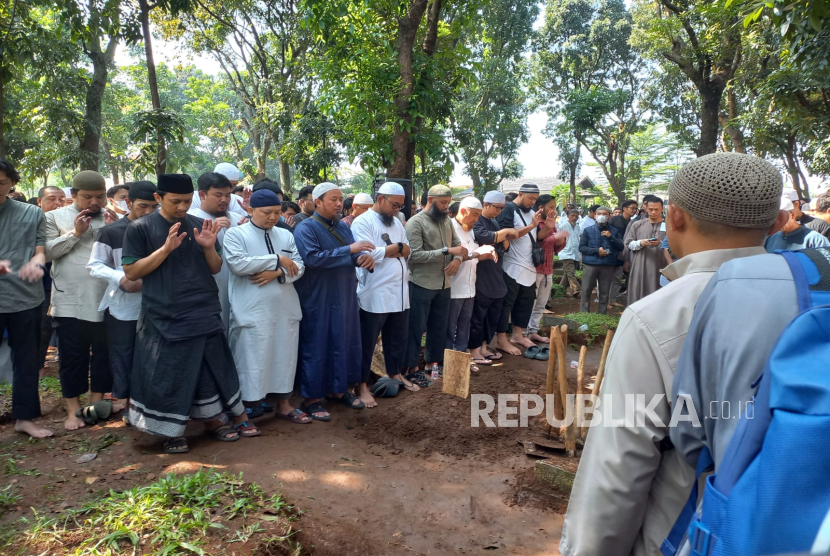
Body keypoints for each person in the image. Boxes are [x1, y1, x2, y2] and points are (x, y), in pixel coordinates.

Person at [560, 152, 788, 556]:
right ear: (778, 223)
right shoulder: (811, 297)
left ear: (674, 217)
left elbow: (619, 468)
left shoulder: (661, 315)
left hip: (693, 534)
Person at [123, 173, 249, 452]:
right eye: (176, 201)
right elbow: (132, 271)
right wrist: (165, 249)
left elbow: (215, 268)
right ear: (158, 198)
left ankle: (214, 421)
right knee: (168, 372)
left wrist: (207, 247)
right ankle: (171, 431)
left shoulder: (200, 224)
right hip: (162, 313)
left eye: (187, 201)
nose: (182, 207)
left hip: (202, 308)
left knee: (208, 368)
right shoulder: (140, 228)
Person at [224, 190, 311, 425]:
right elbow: (238, 264)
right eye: (267, 212)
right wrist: (279, 260)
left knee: (284, 356)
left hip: (285, 308)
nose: (273, 217)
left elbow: (300, 267)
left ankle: (283, 405)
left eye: (277, 212)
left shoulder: (285, 235)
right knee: (251, 359)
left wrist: (276, 273)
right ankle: (245, 412)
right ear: (250, 210)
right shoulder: (236, 234)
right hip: (252, 309)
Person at [45, 171, 118, 430]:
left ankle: (95, 404)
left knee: (103, 354)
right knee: (72, 357)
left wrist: (114, 228)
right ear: (73, 195)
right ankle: (73, 410)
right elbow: (47, 252)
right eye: (88, 197)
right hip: (71, 300)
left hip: (105, 298)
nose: (94, 203)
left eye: (100, 197)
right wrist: (75, 233)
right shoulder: (53, 217)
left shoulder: (111, 218)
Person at [293, 182, 373, 420]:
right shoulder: (305, 228)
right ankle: (312, 398)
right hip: (318, 296)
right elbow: (313, 259)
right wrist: (351, 251)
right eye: (333, 199)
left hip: (345, 294)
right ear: (317, 201)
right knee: (317, 345)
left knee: (344, 342)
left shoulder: (342, 227)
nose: (339, 204)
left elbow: (353, 251)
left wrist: (363, 257)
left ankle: (339, 390)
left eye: (340, 199)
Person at [86, 181, 158, 409]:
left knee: (154, 355)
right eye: (142, 206)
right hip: (123, 307)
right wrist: (121, 278)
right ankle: (129, 404)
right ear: (128, 203)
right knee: (125, 355)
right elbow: (95, 265)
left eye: (153, 207)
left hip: (158, 303)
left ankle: (152, 404)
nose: (148, 212)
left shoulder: (163, 230)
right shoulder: (111, 232)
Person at [0, 158, 53, 438]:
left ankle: (25, 417)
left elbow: (40, 249)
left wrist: (38, 262)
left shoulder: (32, 214)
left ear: (12, 184)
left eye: (1, 183)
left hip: (26, 299)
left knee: (27, 359)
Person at [351, 182, 419, 398]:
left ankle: (395, 374)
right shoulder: (362, 222)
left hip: (400, 292)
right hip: (375, 293)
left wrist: (394, 249)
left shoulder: (398, 223)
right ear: (380, 200)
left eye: (400, 206)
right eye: (394, 205)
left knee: (397, 338)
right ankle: (361, 386)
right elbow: (367, 256)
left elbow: (407, 250)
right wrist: (395, 248)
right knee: (367, 343)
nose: (397, 209)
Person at [402, 184, 467, 381]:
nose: (447, 207)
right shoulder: (415, 223)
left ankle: (433, 364)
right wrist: (447, 252)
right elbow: (414, 256)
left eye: (448, 203)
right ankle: (412, 368)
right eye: (443, 203)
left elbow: (458, 246)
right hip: (421, 284)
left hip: (443, 284)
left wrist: (457, 260)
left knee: (439, 326)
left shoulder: (446, 220)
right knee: (416, 327)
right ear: (430, 200)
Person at [494, 184, 543, 354]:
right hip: (511, 266)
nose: (533, 202)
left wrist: (549, 227)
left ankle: (518, 335)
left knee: (525, 302)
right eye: (530, 198)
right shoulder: (508, 209)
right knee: (506, 305)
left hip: (529, 267)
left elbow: (537, 236)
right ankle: (501, 339)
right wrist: (530, 226)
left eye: (535, 199)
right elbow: (505, 235)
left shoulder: (532, 211)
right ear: (521, 194)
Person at [469, 191, 517, 365]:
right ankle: (474, 350)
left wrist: (504, 236)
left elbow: (504, 244)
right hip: (482, 274)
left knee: (492, 313)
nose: (498, 211)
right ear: (485, 204)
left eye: (501, 208)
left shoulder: (495, 222)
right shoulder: (478, 221)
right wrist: (505, 233)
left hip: (496, 271)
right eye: (496, 207)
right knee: (479, 314)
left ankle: (483, 346)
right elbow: (486, 237)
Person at [447, 197, 495, 362]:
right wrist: (476, 253)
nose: (476, 219)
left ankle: (460, 362)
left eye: (478, 216)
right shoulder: (450, 228)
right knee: (450, 328)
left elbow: (473, 256)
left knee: (464, 328)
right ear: (462, 211)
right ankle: (447, 362)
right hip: (454, 288)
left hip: (469, 288)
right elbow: (454, 255)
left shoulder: (471, 230)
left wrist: (485, 254)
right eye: (474, 215)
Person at [188, 172, 238, 330]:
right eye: (218, 195)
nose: (224, 200)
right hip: (207, 288)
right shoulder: (191, 220)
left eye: (228, 195)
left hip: (238, 286)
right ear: (202, 194)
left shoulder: (237, 219)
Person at [526, 195, 564, 344]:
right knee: (530, 303)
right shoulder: (534, 221)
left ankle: (533, 331)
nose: (553, 210)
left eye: (554, 207)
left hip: (548, 269)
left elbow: (556, 247)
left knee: (541, 303)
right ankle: (523, 332)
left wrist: (560, 237)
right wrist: (550, 230)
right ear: (540, 207)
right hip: (534, 269)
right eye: (551, 207)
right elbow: (537, 240)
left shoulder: (552, 224)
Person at [35, 186, 65, 372]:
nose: (57, 203)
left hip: (66, 285)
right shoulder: (34, 223)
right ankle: (36, 368)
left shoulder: (72, 222)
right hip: (43, 285)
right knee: (42, 328)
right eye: (52, 199)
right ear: (39, 202)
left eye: (61, 199)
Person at [578, 206, 624, 314]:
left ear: (609, 216)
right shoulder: (588, 231)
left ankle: (602, 314)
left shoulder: (614, 231)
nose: (601, 216)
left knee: (604, 291)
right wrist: (596, 251)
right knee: (586, 290)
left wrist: (611, 237)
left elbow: (620, 247)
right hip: (590, 264)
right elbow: (581, 247)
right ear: (594, 216)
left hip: (607, 265)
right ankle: (584, 313)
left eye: (605, 214)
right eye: (599, 214)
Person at [624, 198, 667, 304]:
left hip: (662, 264)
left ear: (662, 208)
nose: (653, 212)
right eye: (651, 209)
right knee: (639, 288)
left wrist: (660, 244)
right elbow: (629, 243)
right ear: (646, 209)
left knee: (660, 290)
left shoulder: (670, 225)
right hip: (641, 263)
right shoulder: (637, 224)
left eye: (656, 209)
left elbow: (676, 246)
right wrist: (640, 243)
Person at [764, 196, 830, 251]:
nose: (775, 221)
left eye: (779, 217)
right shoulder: (769, 239)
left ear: (792, 215)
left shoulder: (815, 240)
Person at [608, 199, 637, 305]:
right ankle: (604, 299)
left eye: (635, 208)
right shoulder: (614, 220)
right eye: (632, 208)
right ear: (624, 208)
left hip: (624, 253)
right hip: (612, 252)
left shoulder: (633, 222)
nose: (634, 210)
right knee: (608, 277)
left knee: (618, 277)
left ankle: (613, 299)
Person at [558, 209, 581, 297]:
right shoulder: (563, 226)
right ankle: (577, 288)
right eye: (572, 216)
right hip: (566, 253)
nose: (574, 218)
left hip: (575, 253)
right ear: (568, 216)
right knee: (571, 273)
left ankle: (559, 289)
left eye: (576, 216)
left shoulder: (577, 227)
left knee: (567, 274)